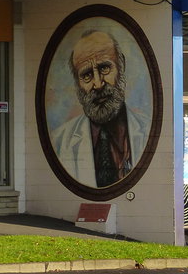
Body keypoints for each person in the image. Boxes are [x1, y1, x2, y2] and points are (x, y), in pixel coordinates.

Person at [49, 29, 151, 188]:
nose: (98, 84)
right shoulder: (59, 142)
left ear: (121, 66)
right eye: (87, 75)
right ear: (77, 84)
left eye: (104, 68)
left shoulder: (148, 130)